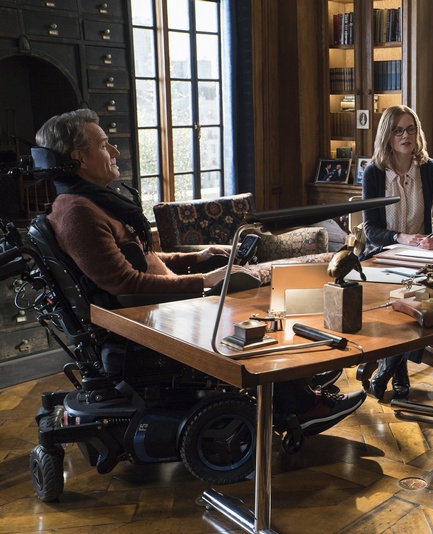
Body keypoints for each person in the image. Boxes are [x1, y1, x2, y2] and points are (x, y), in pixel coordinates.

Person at [36, 109, 365, 433]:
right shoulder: (78, 213)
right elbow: (125, 283)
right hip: (152, 319)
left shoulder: (89, 203)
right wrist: (203, 281)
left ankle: (297, 379)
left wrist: (197, 258)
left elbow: (142, 258)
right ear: (79, 158)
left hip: (163, 303)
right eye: (104, 144)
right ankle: (302, 407)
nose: (115, 151)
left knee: (268, 291)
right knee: (261, 305)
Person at [361, 104, 433, 400]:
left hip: (420, 258)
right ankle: (398, 367)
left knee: (423, 301)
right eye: (398, 131)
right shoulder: (374, 173)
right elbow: (371, 229)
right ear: (387, 135)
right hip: (382, 256)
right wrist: (399, 236)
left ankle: (389, 367)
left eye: (411, 129)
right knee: (400, 304)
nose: (406, 136)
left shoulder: (431, 169)